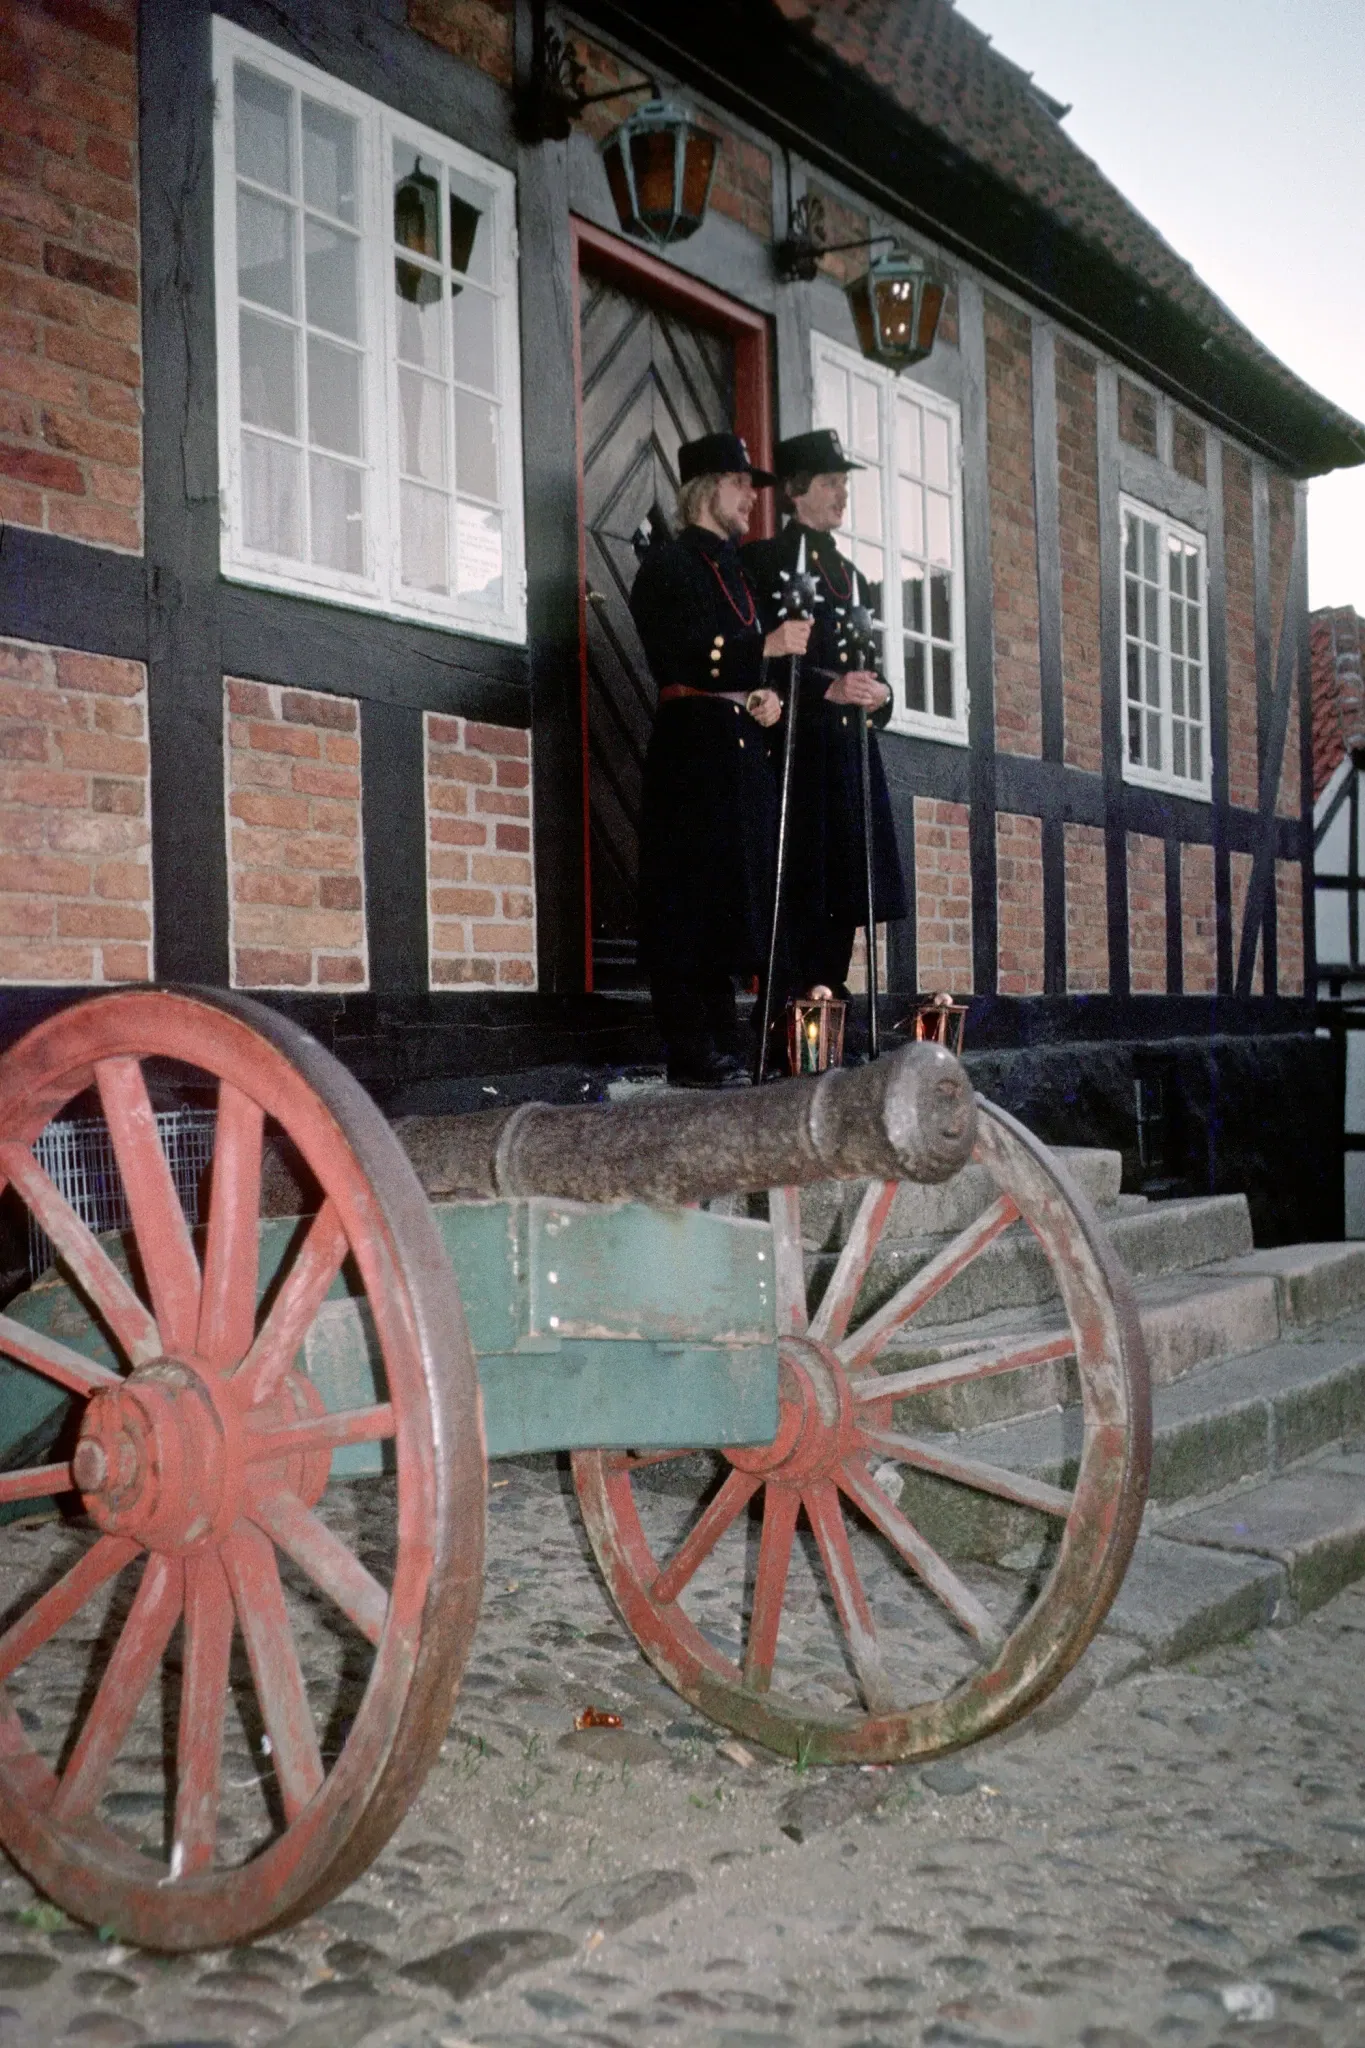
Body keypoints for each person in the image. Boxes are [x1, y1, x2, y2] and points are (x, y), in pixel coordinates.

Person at [629, 432, 812, 1088]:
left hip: (738, 746)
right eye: (740, 485)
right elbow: (680, 655)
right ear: (706, 488)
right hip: (692, 747)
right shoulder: (668, 567)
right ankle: (690, 1049)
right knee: (688, 901)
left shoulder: (736, 570)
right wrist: (761, 649)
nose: (750, 500)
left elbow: (741, 660)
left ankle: (729, 1047)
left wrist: (764, 695)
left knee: (740, 899)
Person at [743, 427, 907, 1053]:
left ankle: (827, 1046)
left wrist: (881, 696)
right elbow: (755, 669)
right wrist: (824, 693)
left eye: (844, 483)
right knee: (796, 897)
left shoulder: (854, 578)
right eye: (832, 483)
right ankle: (785, 1046)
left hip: (848, 763)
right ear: (796, 490)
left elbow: (875, 670)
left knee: (843, 897)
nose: (843, 494)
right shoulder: (762, 563)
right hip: (792, 761)